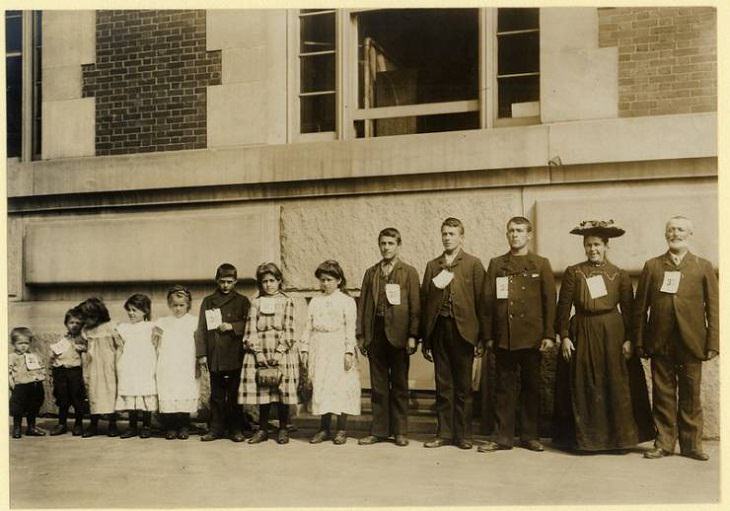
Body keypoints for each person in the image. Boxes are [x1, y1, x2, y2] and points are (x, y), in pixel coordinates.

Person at [551, 220, 654, 452]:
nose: (592, 249)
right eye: (588, 245)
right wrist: (565, 336)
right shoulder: (574, 272)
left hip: (612, 334)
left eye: (597, 244)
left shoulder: (620, 274)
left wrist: (629, 339)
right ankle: (588, 440)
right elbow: (564, 308)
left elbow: (629, 311)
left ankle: (619, 440)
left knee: (614, 384)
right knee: (584, 383)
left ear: (606, 246)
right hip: (583, 332)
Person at [635, 216, 719, 461]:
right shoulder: (652, 266)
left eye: (680, 229)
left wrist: (713, 342)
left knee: (691, 393)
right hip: (660, 340)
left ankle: (692, 445)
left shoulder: (702, 266)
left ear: (689, 234)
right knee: (663, 393)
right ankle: (664, 443)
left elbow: (713, 308)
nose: (675, 233)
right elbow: (641, 308)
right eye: (670, 229)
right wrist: (640, 340)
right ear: (665, 235)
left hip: (692, 341)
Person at [479, 216, 556, 453]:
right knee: (503, 388)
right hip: (505, 336)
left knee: (532, 387)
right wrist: (489, 336)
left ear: (529, 235)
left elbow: (549, 302)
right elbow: (488, 302)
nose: (515, 235)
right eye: (511, 231)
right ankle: (503, 437)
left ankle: (529, 436)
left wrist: (549, 335)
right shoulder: (497, 264)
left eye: (520, 231)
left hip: (532, 337)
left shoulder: (541, 264)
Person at [420, 218, 486, 449]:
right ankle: (444, 433)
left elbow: (482, 303)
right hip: (439, 331)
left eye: (452, 234)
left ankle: (464, 435)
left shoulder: (473, 264)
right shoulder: (433, 265)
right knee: (443, 385)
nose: (447, 237)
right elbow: (425, 302)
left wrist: (481, 338)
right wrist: (425, 338)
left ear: (461, 237)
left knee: (463, 387)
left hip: (464, 332)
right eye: (444, 233)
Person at [356, 227, 420, 447]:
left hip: (399, 336)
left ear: (398, 245)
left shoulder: (408, 272)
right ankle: (379, 430)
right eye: (383, 243)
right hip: (376, 334)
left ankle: (400, 431)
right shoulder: (371, 272)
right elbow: (363, 304)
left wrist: (413, 335)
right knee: (378, 386)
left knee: (400, 385)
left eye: (390, 243)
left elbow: (415, 306)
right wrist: (361, 335)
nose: (386, 247)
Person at [300, 260, 361, 445]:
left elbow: (351, 328)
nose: (325, 283)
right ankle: (324, 428)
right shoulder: (315, 302)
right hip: (319, 346)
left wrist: (349, 351)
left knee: (341, 386)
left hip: (338, 346)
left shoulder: (347, 301)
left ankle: (341, 429)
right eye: (322, 280)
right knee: (322, 386)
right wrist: (304, 348)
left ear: (339, 280)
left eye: (329, 280)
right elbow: (308, 326)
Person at [238, 263, 299, 445]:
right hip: (261, 350)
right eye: (264, 281)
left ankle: (282, 428)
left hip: (281, 352)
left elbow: (289, 329)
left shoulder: (287, 301)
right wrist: (258, 353)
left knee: (281, 393)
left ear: (279, 281)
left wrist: (280, 352)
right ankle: (262, 429)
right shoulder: (255, 302)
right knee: (263, 391)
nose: (268, 285)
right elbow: (250, 329)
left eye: (272, 280)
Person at [195, 263, 251, 442]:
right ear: (216, 281)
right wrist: (202, 354)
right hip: (216, 355)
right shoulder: (208, 301)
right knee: (217, 395)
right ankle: (216, 428)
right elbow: (201, 329)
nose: (226, 285)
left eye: (229, 282)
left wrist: (232, 326)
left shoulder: (242, 301)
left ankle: (236, 428)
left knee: (235, 394)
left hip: (235, 354)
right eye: (222, 281)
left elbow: (250, 325)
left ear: (236, 281)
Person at [156, 285, 200, 440]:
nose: (178, 309)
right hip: (168, 363)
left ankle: (184, 425)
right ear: (169, 305)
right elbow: (155, 343)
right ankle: (171, 426)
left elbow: (198, 343)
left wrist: (198, 362)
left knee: (185, 391)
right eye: (175, 305)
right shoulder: (163, 322)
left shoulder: (194, 321)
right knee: (170, 391)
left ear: (188, 305)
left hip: (186, 363)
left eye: (182, 305)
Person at [116, 294, 159, 439]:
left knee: (145, 393)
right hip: (129, 366)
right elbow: (120, 347)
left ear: (145, 311)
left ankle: (146, 425)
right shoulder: (124, 328)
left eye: (134, 310)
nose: (130, 313)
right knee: (131, 394)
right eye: (129, 310)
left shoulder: (151, 327)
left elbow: (156, 346)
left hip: (145, 366)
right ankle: (132, 426)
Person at [77, 297, 120, 437]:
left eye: (88, 318)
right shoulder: (86, 330)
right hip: (92, 366)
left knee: (110, 392)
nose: (85, 321)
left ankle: (112, 424)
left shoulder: (110, 327)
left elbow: (119, 345)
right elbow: (84, 346)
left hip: (108, 365)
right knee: (93, 393)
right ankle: (93, 423)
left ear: (98, 315)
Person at [49, 308, 87, 436]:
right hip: (60, 370)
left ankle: (78, 424)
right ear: (66, 323)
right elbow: (53, 353)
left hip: (75, 371)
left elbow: (88, 355)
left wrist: (82, 348)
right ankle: (62, 423)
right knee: (62, 398)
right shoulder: (62, 338)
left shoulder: (83, 339)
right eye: (71, 322)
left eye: (78, 323)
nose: (74, 325)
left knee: (77, 398)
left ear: (82, 325)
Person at [9, 327, 47, 438]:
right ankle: (17, 428)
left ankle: (31, 427)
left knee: (34, 406)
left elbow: (41, 367)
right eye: (20, 343)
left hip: (34, 385)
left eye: (26, 343)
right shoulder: (12, 357)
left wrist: (41, 376)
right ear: (13, 343)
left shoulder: (34, 356)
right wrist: (12, 384)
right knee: (18, 408)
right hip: (20, 386)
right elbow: (8, 372)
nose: (23, 346)